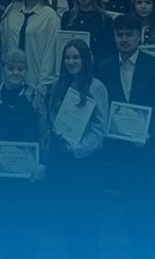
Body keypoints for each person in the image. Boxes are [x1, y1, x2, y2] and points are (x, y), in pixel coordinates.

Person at [96, 14, 155, 257]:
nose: (124, 39)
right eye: (120, 35)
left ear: (140, 36)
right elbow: (102, 107)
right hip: (122, 153)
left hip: (149, 152)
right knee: (131, 209)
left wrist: (149, 133)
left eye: (129, 34)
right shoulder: (104, 67)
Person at [43, 39, 109, 259]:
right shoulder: (57, 85)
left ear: (85, 60)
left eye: (76, 57)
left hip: (86, 162)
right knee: (68, 215)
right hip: (63, 161)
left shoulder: (97, 87)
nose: (71, 62)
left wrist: (78, 148)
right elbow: (51, 115)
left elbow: (100, 129)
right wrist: (58, 136)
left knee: (87, 217)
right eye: (68, 57)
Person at [0, 49, 46, 259]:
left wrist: (43, 164)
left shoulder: (35, 97)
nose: (16, 73)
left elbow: (45, 133)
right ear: (3, 69)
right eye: (11, 68)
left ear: (26, 70)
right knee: (5, 223)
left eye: (21, 68)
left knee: (28, 226)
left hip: (29, 177)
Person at [0, 0, 61, 91]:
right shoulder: (11, 10)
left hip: (35, 81)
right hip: (9, 80)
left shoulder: (50, 16)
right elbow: (2, 45)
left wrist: (43, 84)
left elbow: (50, 54)